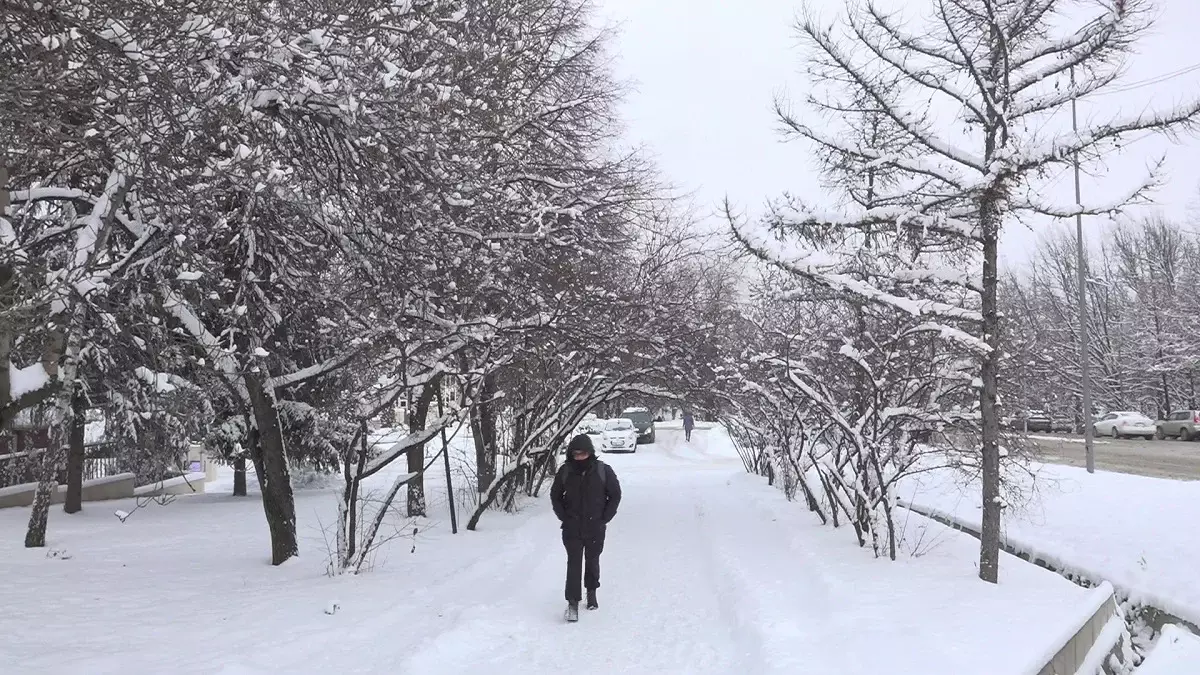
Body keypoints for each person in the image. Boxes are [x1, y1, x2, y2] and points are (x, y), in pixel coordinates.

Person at [550, 434, 621, 620]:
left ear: (590, 453)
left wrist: (604, 518)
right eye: (576, 454)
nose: (580, 457)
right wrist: (563, 517)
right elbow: (555, 496)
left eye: (583, 453)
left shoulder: (603, 470)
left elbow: (615, 495)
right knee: (573, 563)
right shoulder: (565, 471)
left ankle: (591, 592)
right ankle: (572, 602)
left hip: (595, 526)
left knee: (593, 559)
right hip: (572, 527)